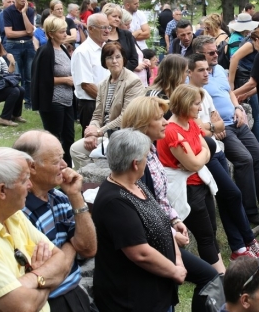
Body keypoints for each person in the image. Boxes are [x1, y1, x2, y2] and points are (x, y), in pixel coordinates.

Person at [120, 96, 222, 311]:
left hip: (163, 231)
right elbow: (142, 206)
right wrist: (169, 231)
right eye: (159, 118)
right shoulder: (136, 163)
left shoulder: (151, 150)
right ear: (143, 123)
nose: (166, 122)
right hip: (152, 241)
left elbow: (159, 198)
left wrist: (174, 218)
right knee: (208, 276)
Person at [186, 53, 259, 260]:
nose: (207, 73)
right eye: (201, 70)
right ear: (189, 73)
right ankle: (249, 240)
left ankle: (238, 248)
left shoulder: (206, 94)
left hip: (217, 149)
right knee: (233, 193)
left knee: (226, 197)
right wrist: (211, 127)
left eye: (207, 69)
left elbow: (218, 123)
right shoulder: (187, 96)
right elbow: (194, 129)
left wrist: (210, 127)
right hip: (205, 154)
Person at [92, 129, 183, 311]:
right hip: (133, 300)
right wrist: (174, 271)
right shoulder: (115, 201)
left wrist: (178, 260)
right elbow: (140, 253)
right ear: (135, 163)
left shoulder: (137, 184)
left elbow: (162, 221)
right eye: (146, 157)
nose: (147, 162)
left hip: (157, 292)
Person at [13, 131, 96, 312]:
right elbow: (47, 276)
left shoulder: (58, 197)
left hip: (74, 293)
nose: (65, 165)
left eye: (63, 158)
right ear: (32, 167)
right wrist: (70, 244)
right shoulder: (18, 212)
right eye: (56, 161)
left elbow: (88, 248)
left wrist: (75, 196)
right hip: (47, 303)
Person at [193, 36, 259, 225]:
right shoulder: (194, 77)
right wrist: (214, 127)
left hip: (236, 121)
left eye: (216, 51)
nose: (216, 54)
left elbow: (229, 91)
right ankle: (249, 212)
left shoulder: (219, 69)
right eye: (211, 52)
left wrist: (237, 108)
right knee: (245, 159)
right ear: (199, 55)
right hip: (222, 128)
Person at [156, 84, 226, 273]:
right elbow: (195, 162)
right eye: (196, 104)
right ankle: (220, 277)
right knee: (205, 236)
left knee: (211, 231)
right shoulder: (172, 130)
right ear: (185, 104)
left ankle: (219, 273)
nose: (200, 108)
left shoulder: (191, 123)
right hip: (187, 190)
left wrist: (197, 159)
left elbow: (206, 151)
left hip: (200, 183)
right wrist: (197, 160)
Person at [0, 147, 68, 312]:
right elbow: (24, 306)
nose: (30, 184)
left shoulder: (14, 215)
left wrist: (33, 278)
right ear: (2, 191)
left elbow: (61, 260)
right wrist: (47, 280)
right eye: (24, 179)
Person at [70, 42, 144, 169]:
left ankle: (101, 180)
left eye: (118, 57)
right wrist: (91, 133)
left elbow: (125, 118)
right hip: (105, 134)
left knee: (78, 150)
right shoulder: (104, 84)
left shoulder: (133, 82)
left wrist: (98, 132)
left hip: (124, 135)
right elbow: (97, 114)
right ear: (104, 61)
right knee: (76, 149)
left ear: (123, 59)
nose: (114, 61)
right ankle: (94, 182)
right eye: (109, 58)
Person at [31, 16, 74, 166]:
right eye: (61, 31)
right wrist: (65, 80)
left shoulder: (62, 48)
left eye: (65, 31)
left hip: (67, 99)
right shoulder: (46, 51)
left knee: (69, 137)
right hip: (53, 101)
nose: (65, 34)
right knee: (55, 137)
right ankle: (53, 167)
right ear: (51, 34)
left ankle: (67, 167)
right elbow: (41, 79)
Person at [70, 13, 111, 137]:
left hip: (107, 102)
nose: (107, 31)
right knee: (92, 141)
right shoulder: (82, 52)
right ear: (91, 29)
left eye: (108, 27)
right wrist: (107, 102)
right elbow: (86, 85)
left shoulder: (107, 48)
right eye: (103, 27)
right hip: (91, 104)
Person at [4, 0, 35, 109]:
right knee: (15, 76)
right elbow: (9, 34)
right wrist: (27, 32)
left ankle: (29, 103)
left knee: (29, 77)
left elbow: (30, 31)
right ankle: (16, 105)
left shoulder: (30, 11)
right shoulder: (8, 12)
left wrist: (23, 13)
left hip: (28, 45)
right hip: (13, 45)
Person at [101, 3, 146, 73]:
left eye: (119, 17)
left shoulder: (127, 35)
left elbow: (134, 59)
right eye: (114, 16)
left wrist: (120, 70)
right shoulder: (101, 36)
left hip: (126, 76)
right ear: (105, 16)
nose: (117, 19)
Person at [146, 53, 189, 119]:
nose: (187, 75)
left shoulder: (180, 92)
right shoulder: (154, 96)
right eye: (186, 71)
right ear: (176, 74)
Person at [0, 37, 24, 127]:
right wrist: (0, 77)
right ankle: (4, 118)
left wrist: (12, 63)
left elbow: (8, 74)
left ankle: (15, 115)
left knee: (21, 89)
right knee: (14, 91)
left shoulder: (0, 59)